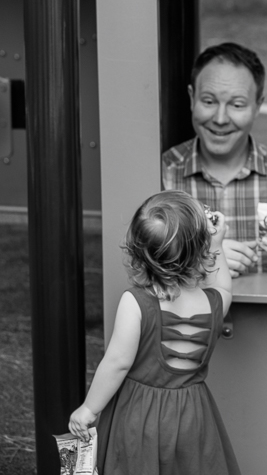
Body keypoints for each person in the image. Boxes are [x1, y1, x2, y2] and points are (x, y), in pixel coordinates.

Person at [68, 190, 240, 474]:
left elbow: (117, 362)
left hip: (140, 414)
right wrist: (217, 243)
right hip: (192, 415)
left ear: (138, 250)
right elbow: (223, 286)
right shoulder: (213, 303)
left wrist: (89, 408)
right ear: (200, 250)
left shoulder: (136, 302)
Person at [162, 42, 267, 277]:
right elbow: (136, 263)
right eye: (209, 101)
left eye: (237, 104)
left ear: (257, 106)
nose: (221, 118)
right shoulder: (162, 173)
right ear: (192, 98)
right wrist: (195, 260)